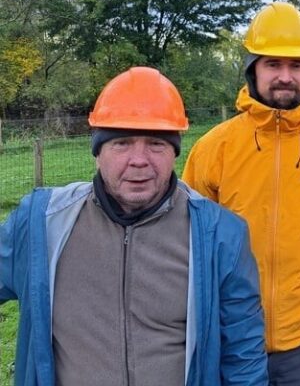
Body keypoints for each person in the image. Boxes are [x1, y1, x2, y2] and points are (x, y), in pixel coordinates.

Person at [0, 66, 268, 386]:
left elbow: (243, 354)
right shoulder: (42, 222)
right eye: (122, 143)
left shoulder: (220, 235)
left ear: (174, 153)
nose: (139, 160)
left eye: (156, 144)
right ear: (98, 153)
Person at [182, 1, 300, 386]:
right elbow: (185, 248)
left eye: (296, 65)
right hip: (230, 338)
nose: (285, 76)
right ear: (253, 69)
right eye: (273, 64)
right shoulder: (214, 148)